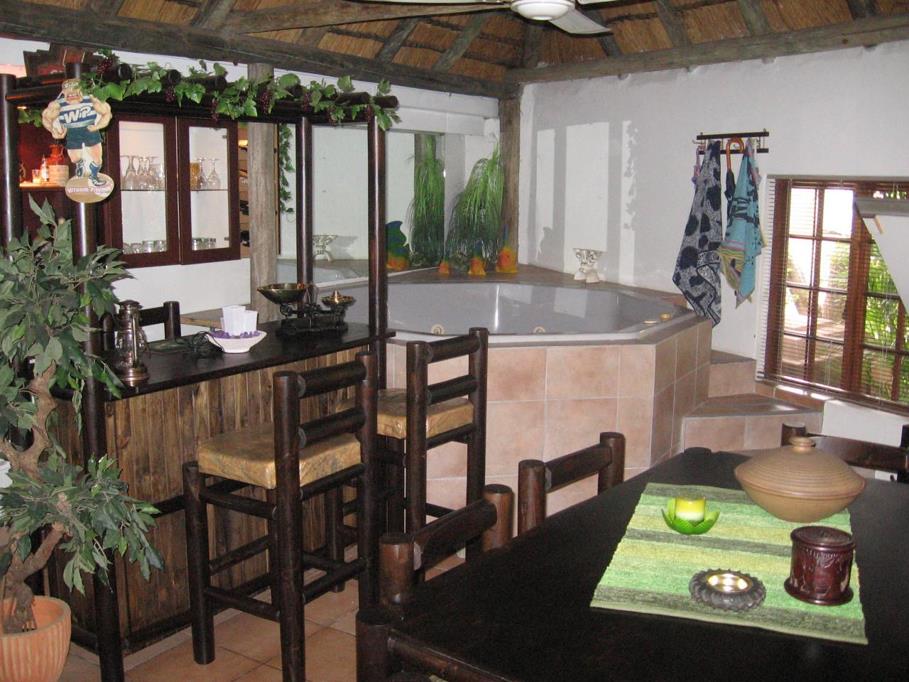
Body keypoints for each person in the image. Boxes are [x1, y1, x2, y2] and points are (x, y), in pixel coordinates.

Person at [41, 79, 112, 186]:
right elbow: (46, 118)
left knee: (97, 159)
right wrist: (53, 130)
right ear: (63, 92)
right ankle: (80, 163)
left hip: (89, 129)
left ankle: (93, 176)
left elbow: (107, 113)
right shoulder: (58, 104)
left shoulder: (91, 99)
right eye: (68, 92)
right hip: (72, 132)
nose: (72, 94)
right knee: (75, 158)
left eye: (75, 91)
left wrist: (97, 126)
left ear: (81, 90)